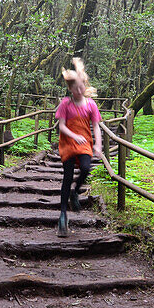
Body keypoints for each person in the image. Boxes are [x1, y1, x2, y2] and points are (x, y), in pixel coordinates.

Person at [54, 57, 102, 237]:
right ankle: (63, 215)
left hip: (85, 144)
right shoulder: (65, 104)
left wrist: (98, 144)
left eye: (82, 87)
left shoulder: (91, 104)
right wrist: (75, 136)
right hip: (68, 144)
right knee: (67, 177)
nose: (80, 91)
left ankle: (75, 192)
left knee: (85, 168)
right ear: (70, 90)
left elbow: (96, 126)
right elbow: (62, 126)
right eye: (76, 89)